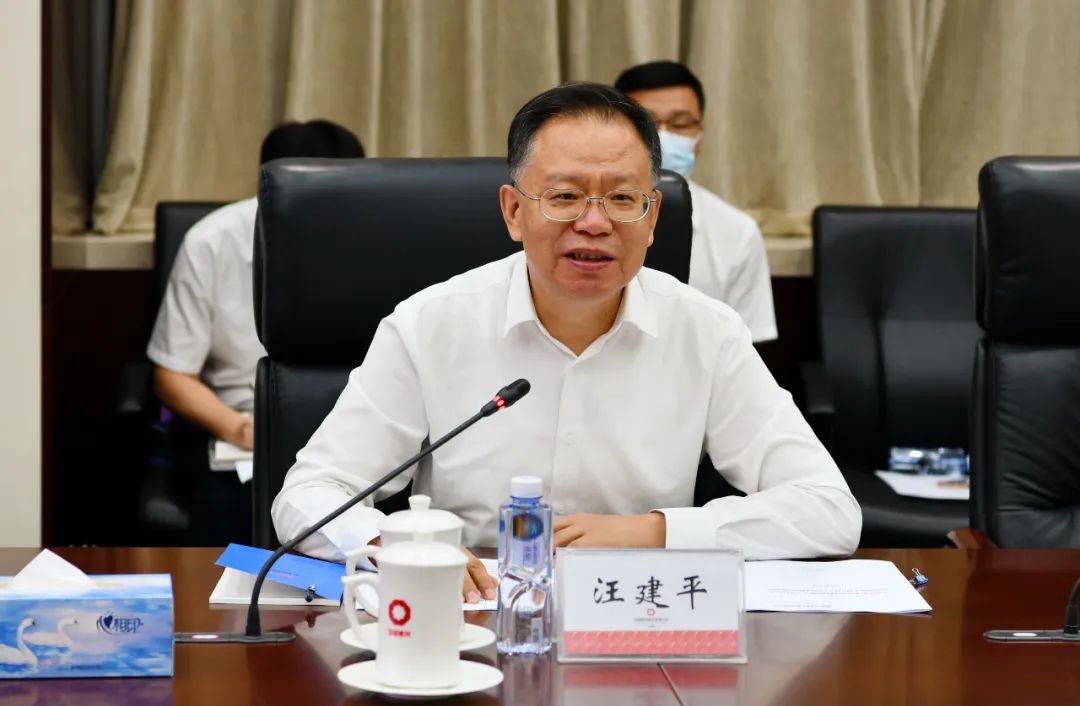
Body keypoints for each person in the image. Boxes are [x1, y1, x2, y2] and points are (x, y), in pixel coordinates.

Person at [273, 83, 860, 601]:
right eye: (565, 196)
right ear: (513, 211)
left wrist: (655, 532)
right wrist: (401, 547)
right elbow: (308, 495)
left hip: (638, 621)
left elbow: (829, 509)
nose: (595, 223)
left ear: (653, 217)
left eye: (622, 199)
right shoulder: (429, 325)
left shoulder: (707, 332)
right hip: (467, 623)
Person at [147, 120, 364, 542]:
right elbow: (172, 374)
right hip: (241, 434)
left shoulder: (377, 239)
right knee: (235, 516)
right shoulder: (211, 242)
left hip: (353, 432)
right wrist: (238, 428)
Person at [615, 61, 777, 343]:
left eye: (680, 124)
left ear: (700, 136)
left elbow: (747, 348)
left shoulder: (737, 232)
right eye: (648, 124)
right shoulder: (584, 217)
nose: (663, 137)